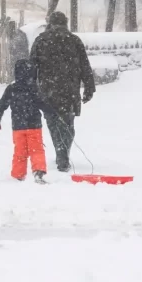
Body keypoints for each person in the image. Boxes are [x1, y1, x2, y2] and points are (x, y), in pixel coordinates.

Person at [29, 11, 95, 173]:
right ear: (65, 23)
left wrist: (30, 87)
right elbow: (85, 66)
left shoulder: (41, 40)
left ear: (50, 23)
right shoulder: (74, 41)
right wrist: (89, 87)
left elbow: (31, 67)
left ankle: (61, 152)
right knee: (68, 122)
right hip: (69, 89)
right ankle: (63, 152)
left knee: (52, 121)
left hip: (48, 89)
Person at [0, 59, 58, 183]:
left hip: (18, 127)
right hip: (34, 126)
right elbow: (42, 103)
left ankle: (18, 175)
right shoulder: (34, 89)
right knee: (36, 150)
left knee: (19, 151)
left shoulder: (11, 89)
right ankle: (38, 172)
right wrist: (53, 113)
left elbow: (1, 105)